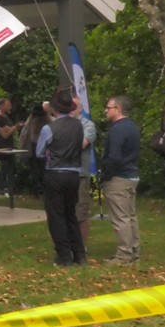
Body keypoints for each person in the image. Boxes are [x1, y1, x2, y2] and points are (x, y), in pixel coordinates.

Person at [35, 88, 86, 266]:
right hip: (73, 173)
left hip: (55, 172)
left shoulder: (49, 128)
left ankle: (64, 256)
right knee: (70, 214)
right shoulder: (78, 125)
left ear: (55, 109)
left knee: (56, 215)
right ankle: (80, 254)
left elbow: (39, 152)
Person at [100, 96, 142, 265]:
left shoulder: (117, 129)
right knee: (130, 215)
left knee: (120, 217)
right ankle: (134, 249)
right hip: (131, 174)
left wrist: (106, 175)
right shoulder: (132, 127)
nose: (105, 110)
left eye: (108, 107)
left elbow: (114, 157)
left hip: (119, 177)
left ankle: (124, 254)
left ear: (118, 109)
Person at [70, 98, 98, 245]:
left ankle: (82, 247)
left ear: (80, 109)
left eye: (74, 107)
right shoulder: (61, 124)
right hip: (64, 174)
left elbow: (81, 144)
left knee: (81, 212)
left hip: (80, 174)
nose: (71, 109)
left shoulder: (88, 125)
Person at [0, 97, 24, 192]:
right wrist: (14, 128)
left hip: (10, 145)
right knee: (4, 166)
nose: (10, 107)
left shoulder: (6, 118)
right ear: (1, 106)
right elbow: (5, 134)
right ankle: (1, 186)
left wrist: (15, 128)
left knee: (11, 167)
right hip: (2, 146)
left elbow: (9, 130)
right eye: (7, 105)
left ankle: (10, 187)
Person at [18, 104, 50, 193]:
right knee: (42, 169)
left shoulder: (31, 119)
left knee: (35, 169)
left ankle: (36, 189)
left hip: (33, 146)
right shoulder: (46, 120)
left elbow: (25, 134)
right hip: (42, 146)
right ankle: (42, 189)